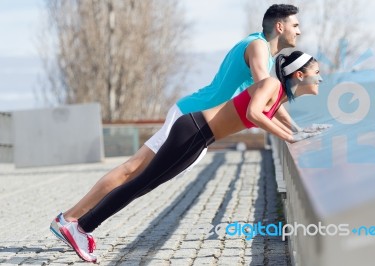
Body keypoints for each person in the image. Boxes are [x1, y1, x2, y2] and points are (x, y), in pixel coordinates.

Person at [50, 3, 304, 244]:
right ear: (279, 27)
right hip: (193, 117)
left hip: (198, 122)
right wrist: (293, 133)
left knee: (139, 175)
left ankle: (72, 220)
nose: (299, 31)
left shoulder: (257, 46)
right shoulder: (259, 47)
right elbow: (264, 95)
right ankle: (71, 220)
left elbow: (268, 99)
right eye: (295, 25)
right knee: (133, 172)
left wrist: (297, 130)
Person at [58, 50, 325, 262]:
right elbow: (255, 114)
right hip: (193, 131)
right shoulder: (270, 84)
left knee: (144, 184)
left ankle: (82, 226)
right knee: (140, 182)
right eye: (317, 72)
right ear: (299, 74)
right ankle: (81, 227)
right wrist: (291, 137)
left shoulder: (278, 94)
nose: (321, 78)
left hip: (198, 137)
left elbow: (272, 114)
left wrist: (302, 132)